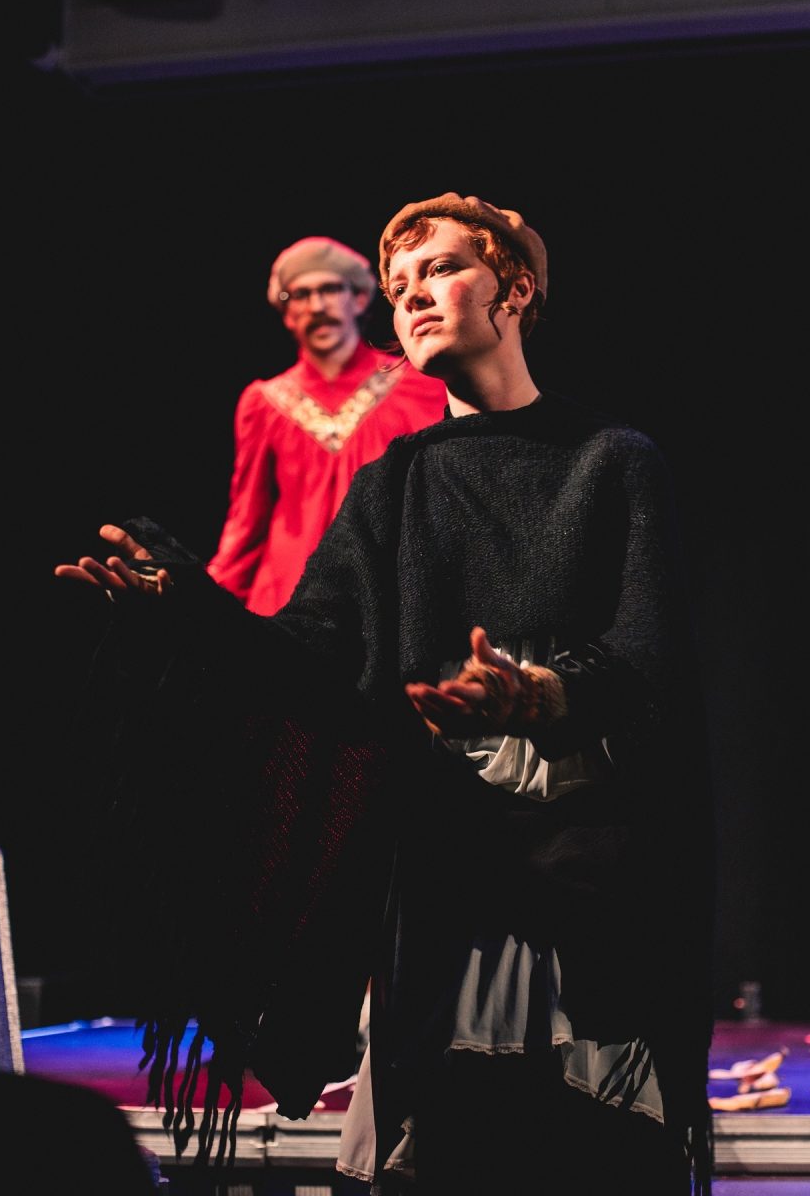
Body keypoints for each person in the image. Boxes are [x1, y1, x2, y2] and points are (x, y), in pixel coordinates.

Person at [54, 193, 715, 1195]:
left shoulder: (611, 462)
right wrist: (189, 612)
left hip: (587, 862)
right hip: (446, 862)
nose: (412, 298)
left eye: (442, 271)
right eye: (399, 286)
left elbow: (648, 655)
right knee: (448, 1137)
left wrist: (531, 694)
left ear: (518, 290)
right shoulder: (395, 482)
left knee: (592, 1142)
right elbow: (313, 659)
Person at [207, 234, 447, 614]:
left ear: (360, 299)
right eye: (299, 295)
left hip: (389, 601)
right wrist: (194, 598)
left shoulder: (422, 384)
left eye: (331, 289)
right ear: (286, 314)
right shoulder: (263, 403)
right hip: (286, 607)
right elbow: (246, 525)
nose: (317, 306)